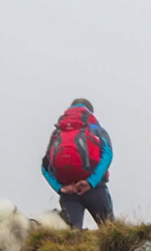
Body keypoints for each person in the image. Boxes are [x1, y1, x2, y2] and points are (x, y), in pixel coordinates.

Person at [41, 98, 114, 229]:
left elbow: (44, 167)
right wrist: (90, 182)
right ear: (90, 112)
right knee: (109, 230)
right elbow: (108, 155)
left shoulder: (58, 132)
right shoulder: (95, 127)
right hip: (95, 189)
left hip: (69, 192)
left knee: (72, 236)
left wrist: (60, 188)